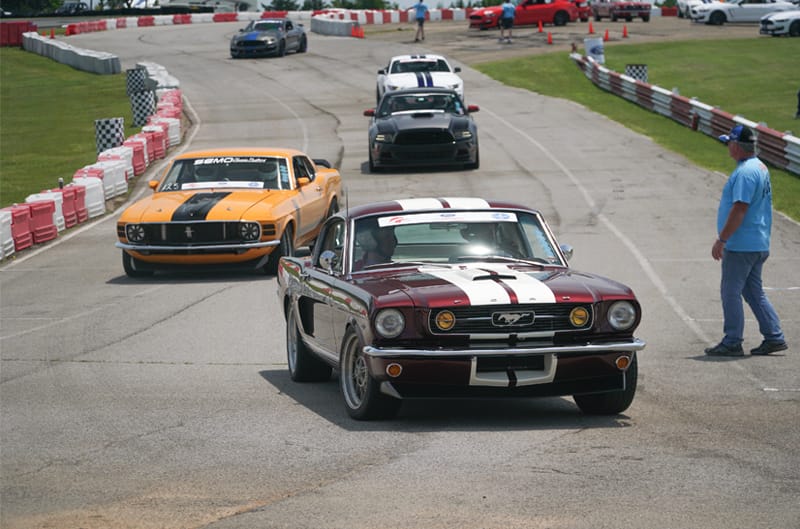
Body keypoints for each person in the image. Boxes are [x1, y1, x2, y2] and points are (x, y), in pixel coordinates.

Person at [705, 124, 788, 357]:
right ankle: (774, 336)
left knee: (730, 291)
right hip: (758, 241)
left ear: (736, 145)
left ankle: (732, 340)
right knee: (753, 293)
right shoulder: (759, 167)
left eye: (728, 143)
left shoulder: (744, 173)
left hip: (741, 244)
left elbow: (740, 208)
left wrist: (722, 239)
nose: (727, 148)